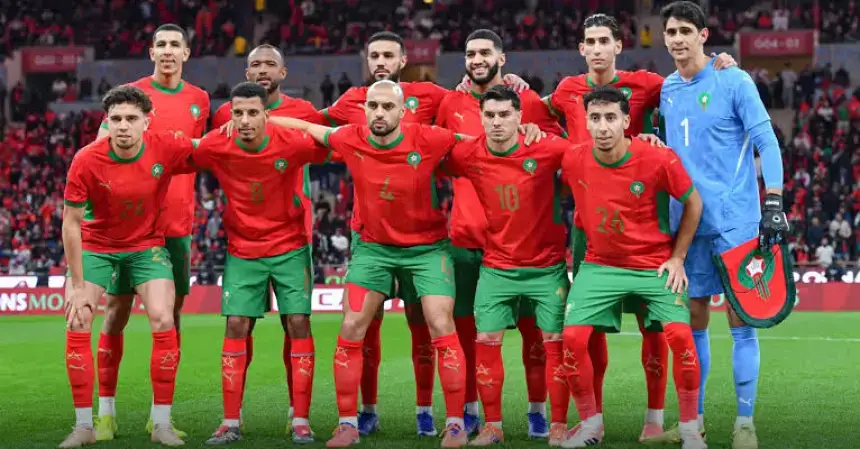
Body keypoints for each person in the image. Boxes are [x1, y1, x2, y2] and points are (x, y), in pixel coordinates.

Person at [320, 30, 528, 437]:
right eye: (373, 55)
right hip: (371, 237)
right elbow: (315, 126)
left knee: (431, 322)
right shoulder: (349, 104)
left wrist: (509, 89)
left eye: (388, 55)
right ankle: (359, 415)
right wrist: (257, 116)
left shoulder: (432, 97)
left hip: (425, 238)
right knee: (360, 325)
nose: (380, 61)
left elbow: (473, 107)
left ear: (402, 62)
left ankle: (437, 416)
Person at [541, 14, 735, 440]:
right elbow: (534, 113)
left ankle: (655, 420)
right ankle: (592, 421)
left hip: (645, 225)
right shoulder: (566, 92)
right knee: (584, 334)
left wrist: (719, 63)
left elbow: (688, 78)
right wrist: (514, 90)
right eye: (588, 41)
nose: (596, 48)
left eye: (603, 40)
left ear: (617, 45)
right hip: (588, 228)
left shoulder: (646, 83)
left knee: (657, 329)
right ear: (580, 48)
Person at [270, 80, 471, 448]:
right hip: (374, 250)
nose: (379, 113)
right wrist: (263, 119)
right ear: (365, 110)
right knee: (351, 324)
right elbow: (310, 128)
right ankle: (348, 424)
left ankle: (455, 423)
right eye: (373, 106)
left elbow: (476, 144)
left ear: (402, 111)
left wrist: (524, 131)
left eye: (387, 107)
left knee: (440, 323)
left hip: (427, 250)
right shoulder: (351, 137)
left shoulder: (429, 138)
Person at [655, 3, 787, 448]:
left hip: (736, 222)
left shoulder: (734, 79)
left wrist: (774, 200)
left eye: (685, 31)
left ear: (704, 35)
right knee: (692, 323)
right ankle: (695, 422)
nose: (676, 39)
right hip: (687, 226)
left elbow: (767, 140)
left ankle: (744, 423)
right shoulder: (669, 89)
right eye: (670, 31)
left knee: (741, 321)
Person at [435, 29, 565, 441]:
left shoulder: (525, 100)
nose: (476, 59)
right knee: (472, 334)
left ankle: (537, 411)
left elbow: (554, 147)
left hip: (523, 244)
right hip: (466, 239)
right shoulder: (449, 102)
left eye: (485, 52)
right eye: (470, 53)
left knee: (534, 336)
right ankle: (474, 412)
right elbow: (438, 155)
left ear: (502, 58)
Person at [559, 86, 705, 449]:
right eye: (595, 118)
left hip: (653, 264)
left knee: (681, 337)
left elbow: (694, 203)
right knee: (573, 339)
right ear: (585, 123)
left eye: (611, 118)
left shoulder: (658, 158)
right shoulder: (573, 159)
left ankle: (689, 430)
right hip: (599, 264)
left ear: (626, 121)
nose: (603, 126)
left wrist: (678, 257)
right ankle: (591, 425)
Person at [192, 82, 331, 445]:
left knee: (298, 322)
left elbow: (338, 145)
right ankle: (230, 422)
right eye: (238, 113)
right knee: (236, 324)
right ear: (230, 116)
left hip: (290, 246)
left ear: (266, 115)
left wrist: (298, 125)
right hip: (243, 248)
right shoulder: (215, 144)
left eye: (253, 112)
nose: (245, 119)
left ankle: (300, 419)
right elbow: (175, 157)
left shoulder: (291, 143)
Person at [60, 85, 196, 448]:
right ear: (106, 122)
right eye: (116, 119)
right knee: (77, 317)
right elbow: (71, 222)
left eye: (131, 119)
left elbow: (212, 150)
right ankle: (85, 425)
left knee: (164, 318)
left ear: (146, 123)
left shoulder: (165, 147)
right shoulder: (86, 159)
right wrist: (75, 285)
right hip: (97, 247)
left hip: (146, 247)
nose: (123, 126)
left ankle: (162, 423)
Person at [93, 23, 210, 441]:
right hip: (131, 226)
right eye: (160, 45)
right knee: (115, 313)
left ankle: (160, 417)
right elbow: (101, 148)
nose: (167, 51)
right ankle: (105, 412)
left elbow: (201, 154)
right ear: (150, 52)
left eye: (175, 45)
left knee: (170, 319)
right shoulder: (132, 96)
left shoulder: (200, 99)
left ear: (186, 53)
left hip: (177, 226)